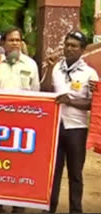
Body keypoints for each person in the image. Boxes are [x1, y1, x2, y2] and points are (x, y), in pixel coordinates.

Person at [44, 31, 99, 213]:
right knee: (53, 172)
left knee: (75, 174)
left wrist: (71, 101)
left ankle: (76, 210)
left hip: (77, 129)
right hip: (55, 128)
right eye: (67, 45)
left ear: (82, 50)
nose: (69, 49)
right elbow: (46, 92)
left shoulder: (90, 74)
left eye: (74, 46)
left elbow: (93, 103)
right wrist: (49, 68)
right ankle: (49, 208)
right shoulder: (57, 67)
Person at [0, 27, 40, 213]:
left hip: (22, 126)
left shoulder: (30, 65)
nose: (15, 43)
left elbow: (36, 93)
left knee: (20, 167)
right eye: (11, 40)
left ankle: (18, 205)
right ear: (3, 44)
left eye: (18, 40)